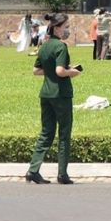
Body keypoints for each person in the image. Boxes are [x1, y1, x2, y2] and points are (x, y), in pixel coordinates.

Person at [26, 13, 82, 185]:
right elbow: (60, 71)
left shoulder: (44, 46)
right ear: (57, 28)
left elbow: (36, 70)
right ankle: (62, 174)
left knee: (46, 132)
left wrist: (53, 70)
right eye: (66, 27)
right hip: (61, 94)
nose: (67, 30)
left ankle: (33, 170)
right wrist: (73, 72)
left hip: (46, 94)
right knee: (64, 133)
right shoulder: (60, 46)